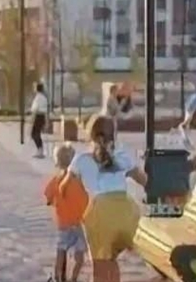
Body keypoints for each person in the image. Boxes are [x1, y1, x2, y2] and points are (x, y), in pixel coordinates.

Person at [62, 115, 148, 282]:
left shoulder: (81, 159)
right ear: (114, 135)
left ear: (90, 134)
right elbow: (144, 181)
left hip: (100, 215)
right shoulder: (123, 156)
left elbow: (65, 187)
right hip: (126, 214)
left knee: (100, 265)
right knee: (111, 260)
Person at [43, 143, 89, 282]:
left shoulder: (56, 180)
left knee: (61, 251)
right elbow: (86, 200)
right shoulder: (79, 182)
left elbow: (47, 195)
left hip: (63, 224)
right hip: (78, 223)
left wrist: (51, 201)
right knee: (80, 255)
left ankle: (58, 277)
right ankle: (73, 278)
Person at [29, 82, 51, 159]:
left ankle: (40, 150)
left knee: (34, 133)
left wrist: (32, 119)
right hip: (41, 116)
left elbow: (35, 109)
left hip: (38, 116)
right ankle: (40, 150)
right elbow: (46, 110)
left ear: (36, 88)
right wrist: (46, 121)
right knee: (37, 133)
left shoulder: (38, 98)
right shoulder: (44, 97)